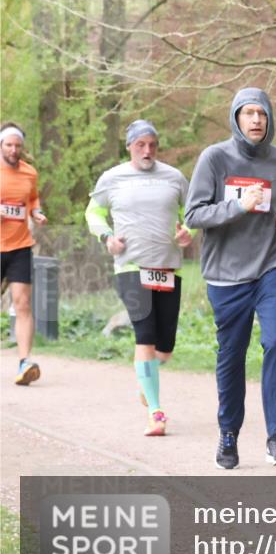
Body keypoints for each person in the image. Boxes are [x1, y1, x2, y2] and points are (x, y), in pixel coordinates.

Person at [185, 88, 276, 469]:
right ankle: (229, 434)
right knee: (232, 356)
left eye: (262, 114)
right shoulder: (215, 158)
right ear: (236, 118)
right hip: (227, 274)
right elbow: (194, 215)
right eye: (248, 113)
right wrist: (238, 206)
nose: (256, 120)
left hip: (273, 265)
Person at [86, 120, 193, 436]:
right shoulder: (112, 178)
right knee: (144, 335)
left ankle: (146, 378)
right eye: (140, 145)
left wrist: (190, 231)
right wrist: (107, 236)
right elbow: (93, 213)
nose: (147, 151)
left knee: (165, 349)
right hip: (131, 267)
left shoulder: (174, 177)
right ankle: (156, 413)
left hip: (167, 268)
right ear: (129, 146)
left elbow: (194, 211)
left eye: (152, 145)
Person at [0, 122, 47, 386]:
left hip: (19, 246)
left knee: (23, 304)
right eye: (9, 145)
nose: (14, 150)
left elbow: (32, 200)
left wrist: (36, 213)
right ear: (1, 146)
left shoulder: (30, 173)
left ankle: (24, 361)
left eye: (18, 146)